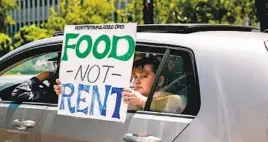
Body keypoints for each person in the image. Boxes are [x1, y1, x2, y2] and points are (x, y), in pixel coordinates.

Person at [53, 55, 186, 114]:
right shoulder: (129, 95)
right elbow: (96, 97)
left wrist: (142, 101)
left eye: (144, 76)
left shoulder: (161, 95)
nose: (137, 81)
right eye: (135, 76)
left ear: (160, 80)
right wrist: (71, 92)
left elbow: (180, 103)